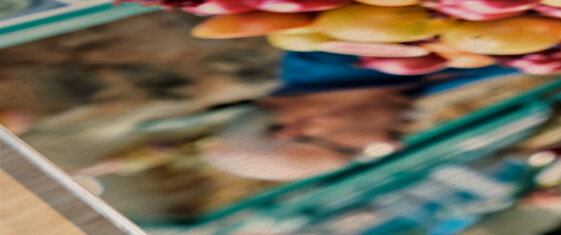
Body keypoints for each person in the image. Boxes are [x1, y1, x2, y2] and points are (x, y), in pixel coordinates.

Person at [200, 51, 515, 181]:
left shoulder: (333, 40)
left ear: (299, 125)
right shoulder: (399, 89)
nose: (391, 145)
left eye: (351, 151)